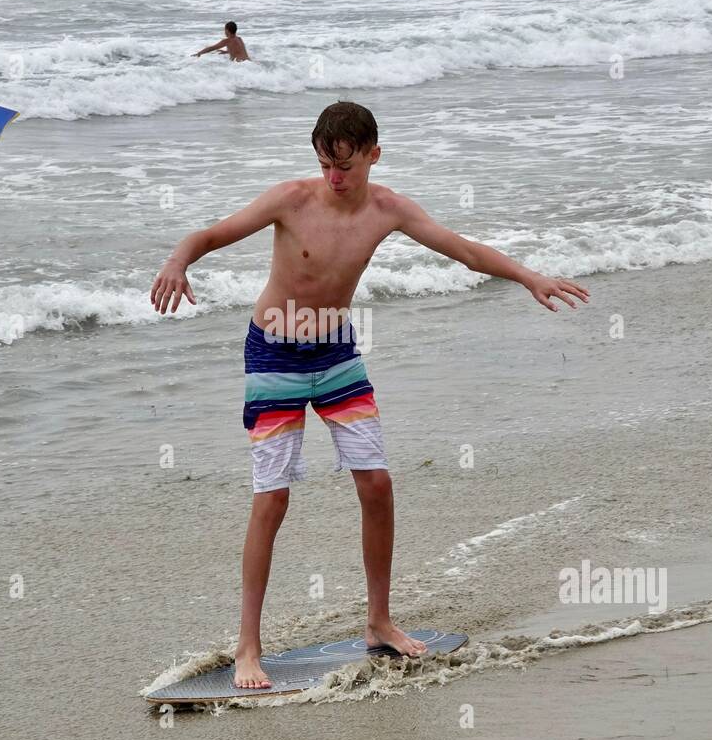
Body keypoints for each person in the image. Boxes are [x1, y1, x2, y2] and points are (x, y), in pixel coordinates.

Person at [149, 101, 590, 688]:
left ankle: (379, 621)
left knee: (377, 484)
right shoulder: (290, 199)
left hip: (336, 356)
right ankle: (248, 645)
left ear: (373, 156)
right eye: (326, 165)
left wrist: (531, 277)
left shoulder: (389, 210)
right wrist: (178, 261)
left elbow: (465, 251)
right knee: (272, 499)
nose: (335, 178)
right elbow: (209, 234)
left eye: (347, 167)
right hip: (275, 356)